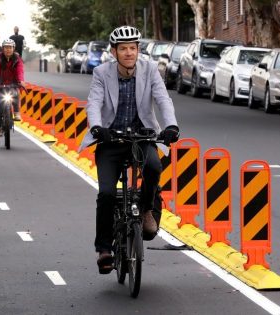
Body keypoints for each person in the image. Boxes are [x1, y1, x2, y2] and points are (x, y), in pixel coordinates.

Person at [78, 26, 180, 274]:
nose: (128, 53)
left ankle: (146, 210)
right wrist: (97, 127)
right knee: (106, 194)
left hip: (142, 136)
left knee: (154, 167)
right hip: (111, 139)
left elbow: (163, 99)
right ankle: (104, 249)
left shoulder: (150, 70)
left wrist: (171, 126)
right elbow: (94, 102)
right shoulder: (102, 72)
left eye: (132, 48)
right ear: (114, 52)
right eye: (123, 48)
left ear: (138, 50)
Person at [0, 39, 25, 138]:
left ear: (13, 48)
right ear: (3, 49)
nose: (8, 50)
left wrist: (21, 81)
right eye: (6, 47)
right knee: (0, 107)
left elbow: (20, 71)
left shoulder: (17, 59)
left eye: (10, 47)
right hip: (0, 84)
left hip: (13, 84)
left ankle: (16, 112)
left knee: (16, 94)